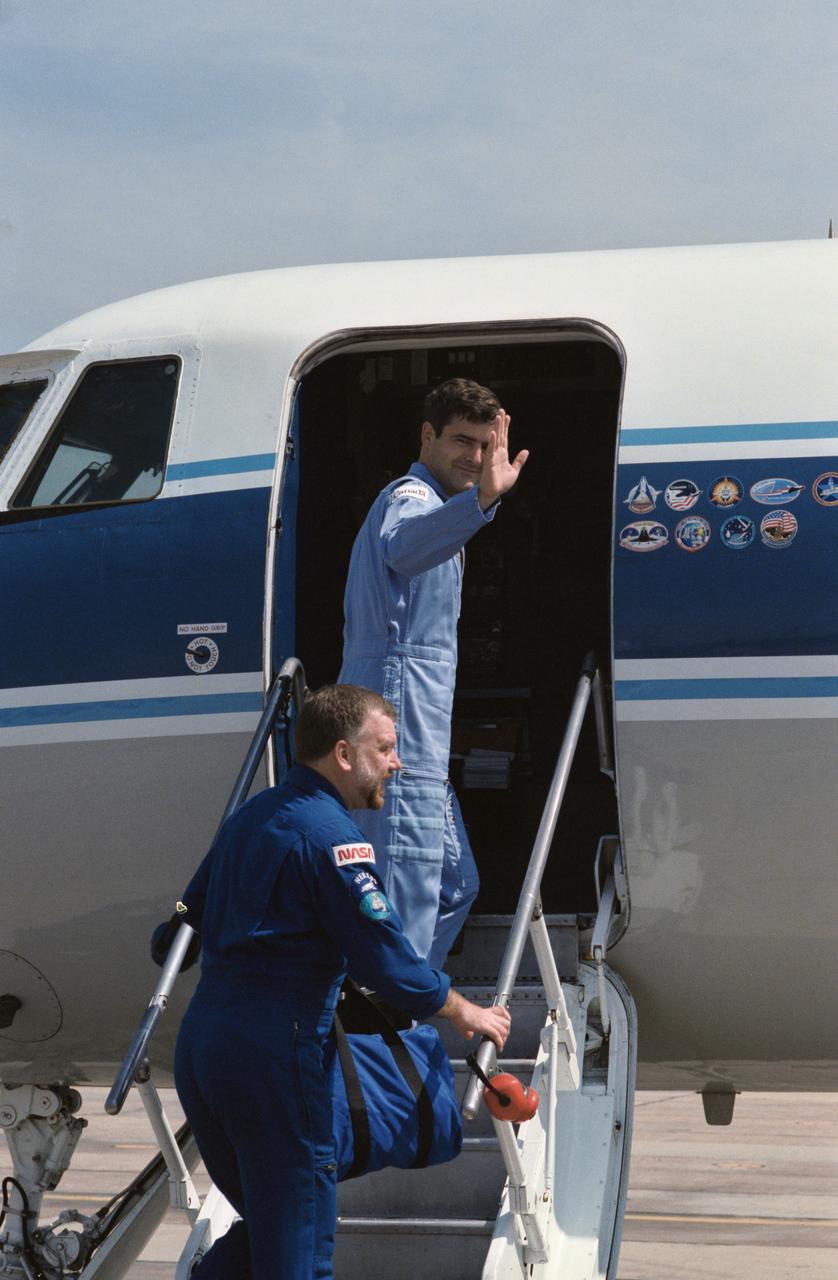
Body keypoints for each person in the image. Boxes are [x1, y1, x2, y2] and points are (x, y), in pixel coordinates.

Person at [172, 684, 511, 1280]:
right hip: (276, 1056)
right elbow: (386, 963)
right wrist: (462, 1011)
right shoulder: (334, 839)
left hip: (203, 1051)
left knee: (268, 1232)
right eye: (385, 749)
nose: (397, 762)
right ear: (344, 754)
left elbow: (179, 921)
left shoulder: (249, 817)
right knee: (297, 1249)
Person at [339, 378, 529, 967]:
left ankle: (408, 994)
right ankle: (386, 1013)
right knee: (403, 882)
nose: (474, 458)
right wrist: (481, 502)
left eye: (483, 446)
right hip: (398, 720)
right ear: (427, 436)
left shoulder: (442, 509)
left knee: (453, 884)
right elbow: (402, 547)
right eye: (461, 441)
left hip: (421, 725)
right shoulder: (412, 498)